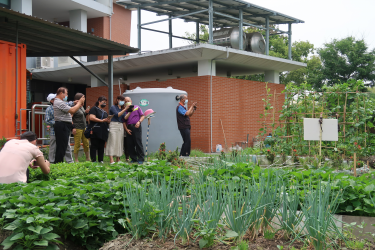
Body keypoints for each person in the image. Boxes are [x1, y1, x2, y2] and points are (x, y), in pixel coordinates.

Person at [53, 87, 85, 163]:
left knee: (63, 146)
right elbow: (72, 110)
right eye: (66, 93)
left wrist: (74, 103)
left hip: (64, 125)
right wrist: (80, 102)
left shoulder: (60, 102)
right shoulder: (58, 102)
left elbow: (68, 104)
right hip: (62, 125)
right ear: (61, 93)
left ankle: (59, 163)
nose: (67, 95)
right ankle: (58, 163)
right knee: (61, 147)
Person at [45, 93, 74, 163]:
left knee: (66, 145)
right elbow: (47, 121)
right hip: (53, 131)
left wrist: (75, 102)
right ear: (51, 101)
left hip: (63, 129)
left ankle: (70, 161)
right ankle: (51, 161)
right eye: (55, 98)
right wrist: (58, 123)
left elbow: (69, 104)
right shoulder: (49, 109)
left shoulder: (62, 104)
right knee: (53, 147)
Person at [105, 96, 127, 164]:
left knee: (119, 142)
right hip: (113, 125)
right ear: (117, 100)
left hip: (120, 125)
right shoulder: (113, 107)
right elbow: (117, 115)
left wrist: (129, 112)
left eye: (123, 100)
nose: (122, 101)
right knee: (112, 141)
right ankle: (111, 159)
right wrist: (125, 109)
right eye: (121, 100)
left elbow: (125, 118)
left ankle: (118, 159)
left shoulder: (122, 108)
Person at [89, 96, 110, 163]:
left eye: (105, 103)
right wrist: (101, 120)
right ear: (99, 102)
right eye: (103, 102)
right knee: (94, 145)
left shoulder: (105, 112)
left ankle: (101, 160)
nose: (104, 104)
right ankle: (93, 160)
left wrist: (108, 120)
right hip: (95, 130)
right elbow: (91, 118)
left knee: (101, 145)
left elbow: (107, 120)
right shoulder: (94, 109)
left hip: (103, 130)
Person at [124, 97, 145, 164]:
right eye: (125, 101)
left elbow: (142, 116)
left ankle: (141, 158)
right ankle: (133, 158)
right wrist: (126, 129)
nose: (127, 102)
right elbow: (124, 121)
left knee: (138, 142)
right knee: (130, 144)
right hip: (129, 127)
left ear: (131, 101)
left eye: (128, 101)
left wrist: (139, 122)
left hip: (136, 126)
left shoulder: (137, 107)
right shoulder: (125, 110)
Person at [72, 93, 91, 162]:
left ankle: (87, 158)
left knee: (86, 143)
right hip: (77, 127)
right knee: (77, 144)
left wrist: (86, 112)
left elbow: (82, 115)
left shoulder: (81, 106)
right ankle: (76, 159)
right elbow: (70, 117)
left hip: (84, 127)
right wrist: (73, 127)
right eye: (83, 97)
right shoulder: (75, 106)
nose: (84, 99)